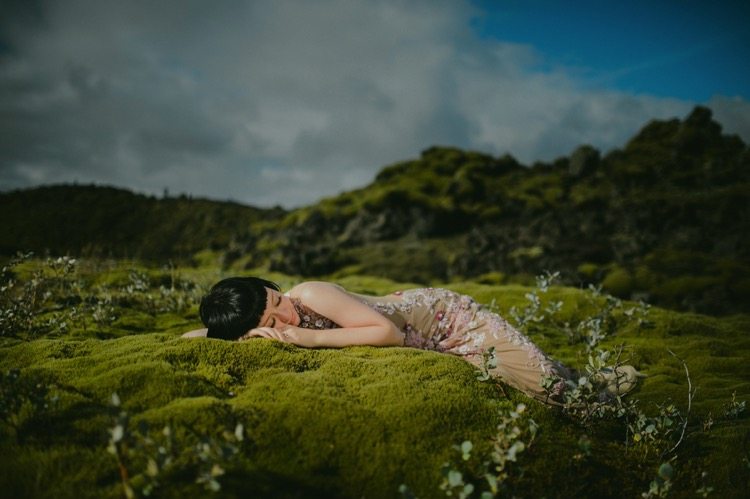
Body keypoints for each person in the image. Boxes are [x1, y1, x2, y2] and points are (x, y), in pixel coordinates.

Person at [182, 277, 642, 406]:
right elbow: (199, 335)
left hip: (450, 323)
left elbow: (388, 333)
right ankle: (566, 371)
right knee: (530, 385)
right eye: (270, 317)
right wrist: (214, 335)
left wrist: (301, 336)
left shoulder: (311, 294)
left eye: (274, 298)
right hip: (430, 344)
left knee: (558, 397)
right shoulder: (256, 328)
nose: (283, 311)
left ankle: (594, 381)